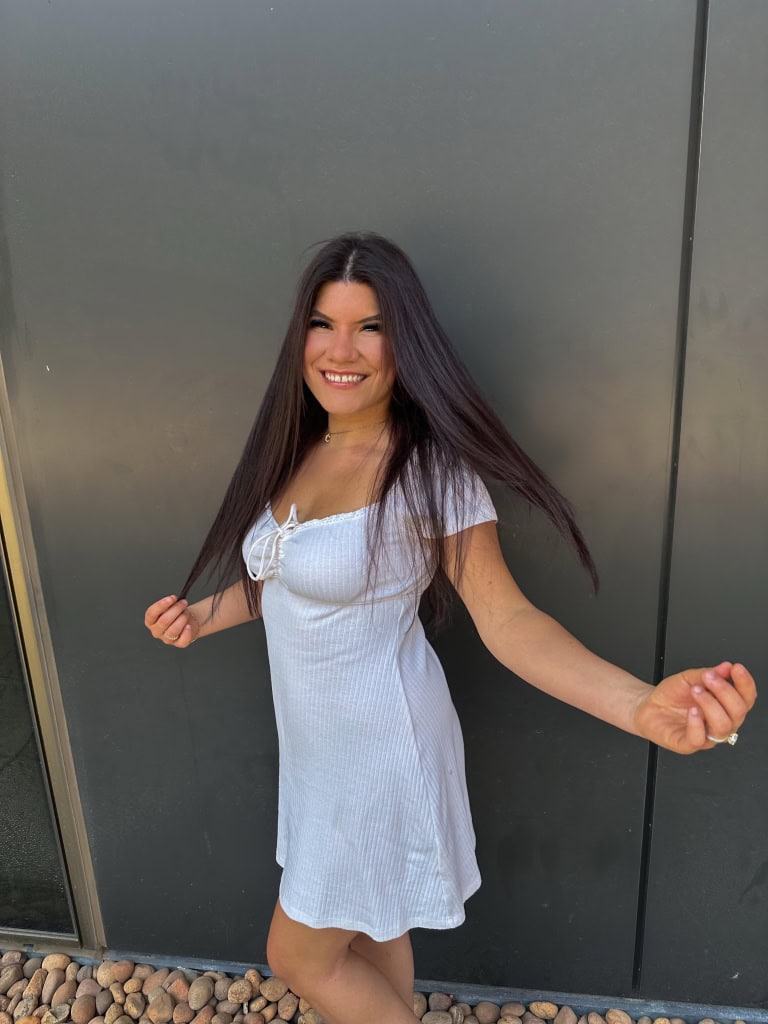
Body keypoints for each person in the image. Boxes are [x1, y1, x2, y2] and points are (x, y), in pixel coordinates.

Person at [144, 232, 757, 1024]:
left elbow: (508, 620)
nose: (341, 349)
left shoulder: (429, 470)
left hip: (381, 757)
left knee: (298, 955)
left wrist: (638, 705)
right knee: (373, 931)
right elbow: (285, 581)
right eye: (323, 323)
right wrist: (204, 615)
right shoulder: (301, 448)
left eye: (370, 327)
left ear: (406, 341)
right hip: (317, 755)